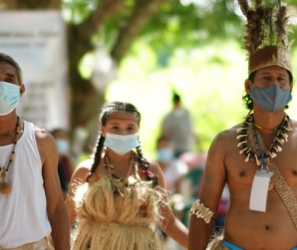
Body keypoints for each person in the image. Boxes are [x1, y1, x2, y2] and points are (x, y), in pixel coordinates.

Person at [188, 1, 297, 249]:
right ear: (249, 87)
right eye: (266, 78)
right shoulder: (225, 143)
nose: (275, 85)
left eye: (281, 79)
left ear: (290, 88)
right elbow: (204, 210)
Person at [65, 101, 188, 250]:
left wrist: (202, 247)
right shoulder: (86, 171)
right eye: (115, 127)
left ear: (138, 131)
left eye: (130, 128)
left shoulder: (150, 170)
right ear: (103, 130)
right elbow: (66, 219)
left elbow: (168, 220)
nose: (123, 134)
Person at [0, 52, 70, 249]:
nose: (2, 86)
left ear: (21, 90)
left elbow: (56, 208)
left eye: (9, 80)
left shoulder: (41, 141)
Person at [161, 92, 195, 158]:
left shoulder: (187, 114)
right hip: (174, 149)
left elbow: (191, 129)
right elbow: (164, 133)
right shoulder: (169, 117)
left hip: (187, 146)